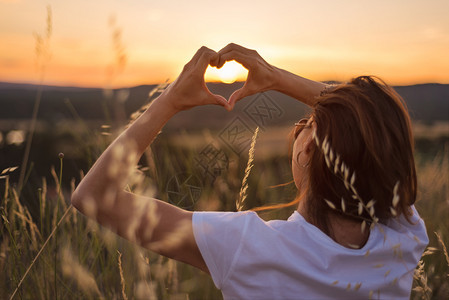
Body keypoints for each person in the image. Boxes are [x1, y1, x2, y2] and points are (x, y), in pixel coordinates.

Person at [71, 43, 429, 299]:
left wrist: (169, 101)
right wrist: (274, 77)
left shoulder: (248, 247)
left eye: (309, 121)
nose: (305, 118)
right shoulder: (401, 237)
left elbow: (92, 196)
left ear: (306, 151)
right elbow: (378, 127)